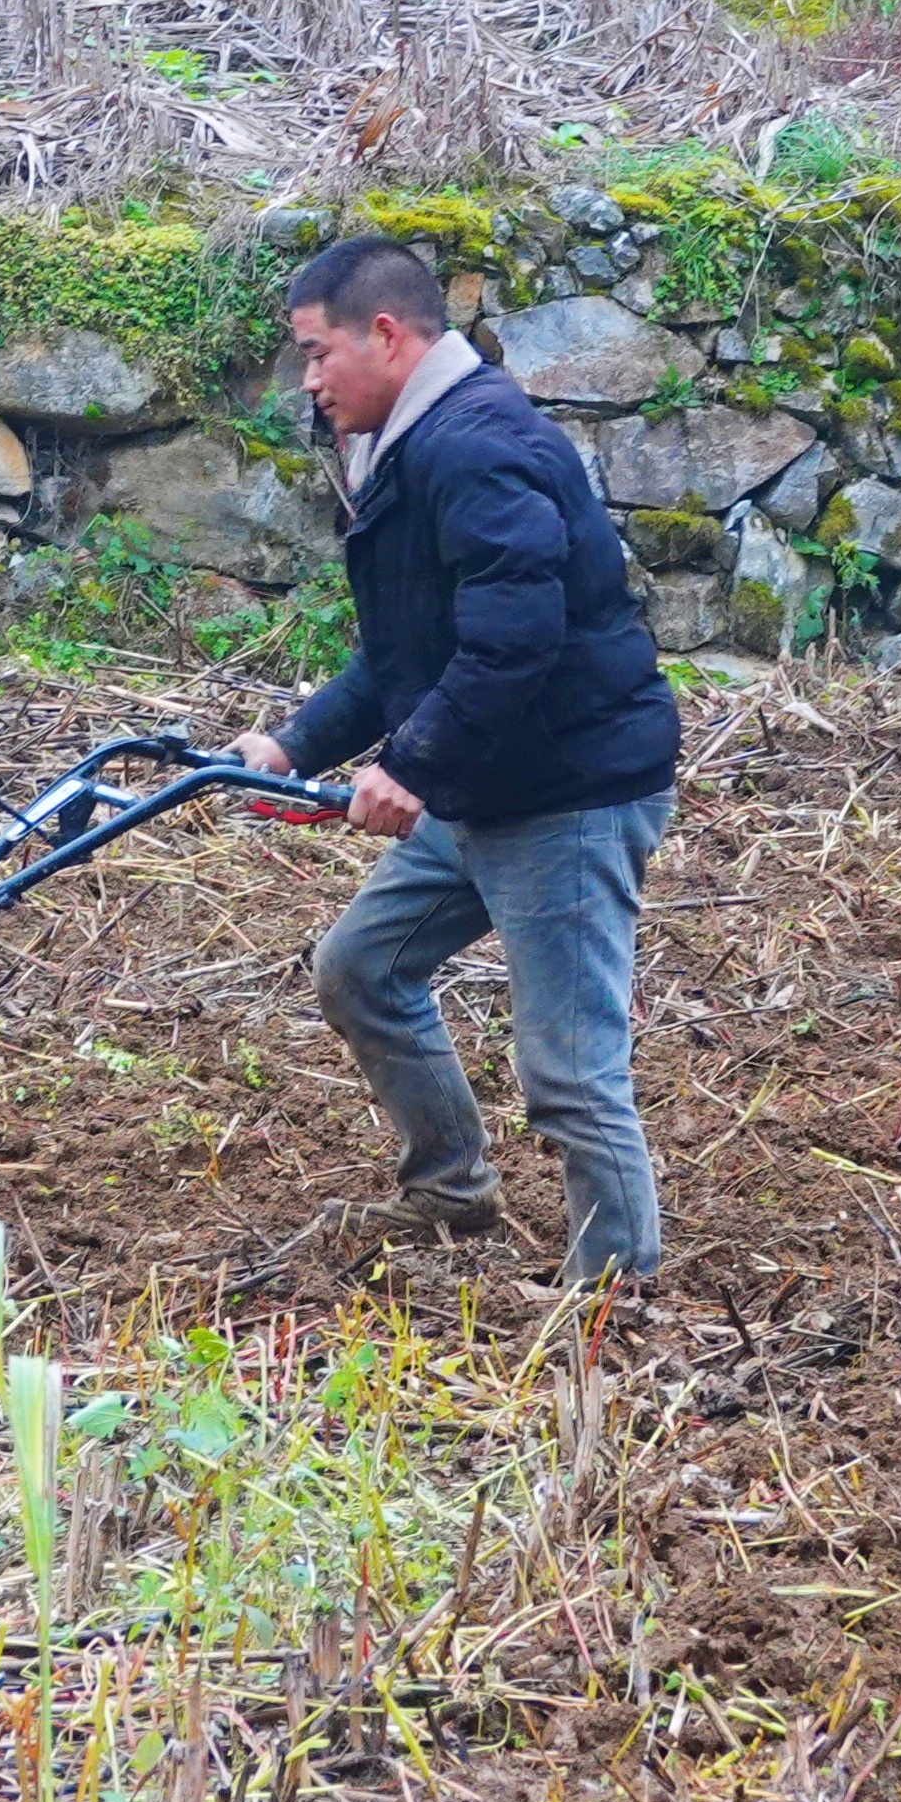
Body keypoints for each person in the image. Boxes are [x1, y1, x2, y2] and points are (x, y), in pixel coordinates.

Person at [224, 228, 685, 1282]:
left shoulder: (474, 445)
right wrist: (294, 743)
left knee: (568, 1073)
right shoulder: (412, 446)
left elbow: (516, 640)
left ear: (384, 336)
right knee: (363, 971)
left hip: (565, 791)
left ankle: (615, 1290)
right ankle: (450, 1186)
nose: (309, 378)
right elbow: (409, 654)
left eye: (315, 352)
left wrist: (415, 767)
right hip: (492, 778)